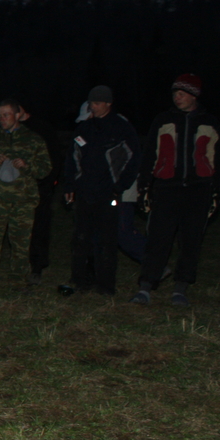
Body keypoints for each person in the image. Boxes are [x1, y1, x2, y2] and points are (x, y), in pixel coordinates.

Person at [130, 74, 220, 307]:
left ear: (194, 96)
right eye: (175, 93)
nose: (177, 98)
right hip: (166, 188)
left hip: (198, 189)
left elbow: (217, 159)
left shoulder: (210, 122)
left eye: (181, 94)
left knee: (191, 241)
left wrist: (216, 191)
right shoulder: (163, 120)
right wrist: (144, 186)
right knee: (158, 239)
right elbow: (150, 154)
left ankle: (181, 288)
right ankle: (146, 286)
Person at [61, 86, 140, 296]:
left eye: (97, 103)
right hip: (84, 192)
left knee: (107, 240)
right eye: (91, 103)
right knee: (81, 238)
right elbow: (72, 158)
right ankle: (80, 280)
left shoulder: (121, 128)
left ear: (108, 103)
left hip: (108, 193)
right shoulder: (84, 129)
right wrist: (69, 185)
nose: (93, 107)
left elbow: (133, 159)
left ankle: (105, 285)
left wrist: (119, 186)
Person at [0, 99, 51, 293]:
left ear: (17, 115)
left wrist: (26, 166)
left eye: (6, 115)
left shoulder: (33, 141)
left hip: (23, 201)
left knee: (21, 243)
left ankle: (18, 279)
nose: (2, 119)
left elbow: (45, 169)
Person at [17, 102, 62, 283]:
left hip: (40, 187)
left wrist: (49, 182)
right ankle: (21, 263)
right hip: (18, 188)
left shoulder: (42, 129)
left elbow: (54, 156)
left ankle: (37, 265)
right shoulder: (13, 129)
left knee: (39, 226)